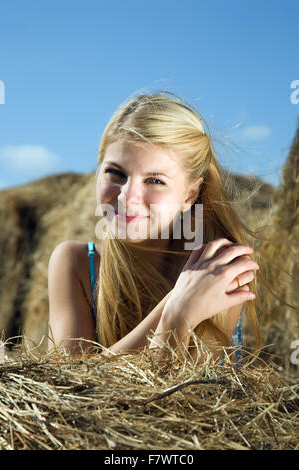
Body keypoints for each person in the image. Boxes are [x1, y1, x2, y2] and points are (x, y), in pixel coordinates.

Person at [47, 91, 262, 366]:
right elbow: (68, 386)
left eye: (155, 181)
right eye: (115, 172)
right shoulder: (75, 262)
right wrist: (177, 309)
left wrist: (179, 309)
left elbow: (186, 396)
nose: (127, 197)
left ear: (190, 195)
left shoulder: (220, 269)